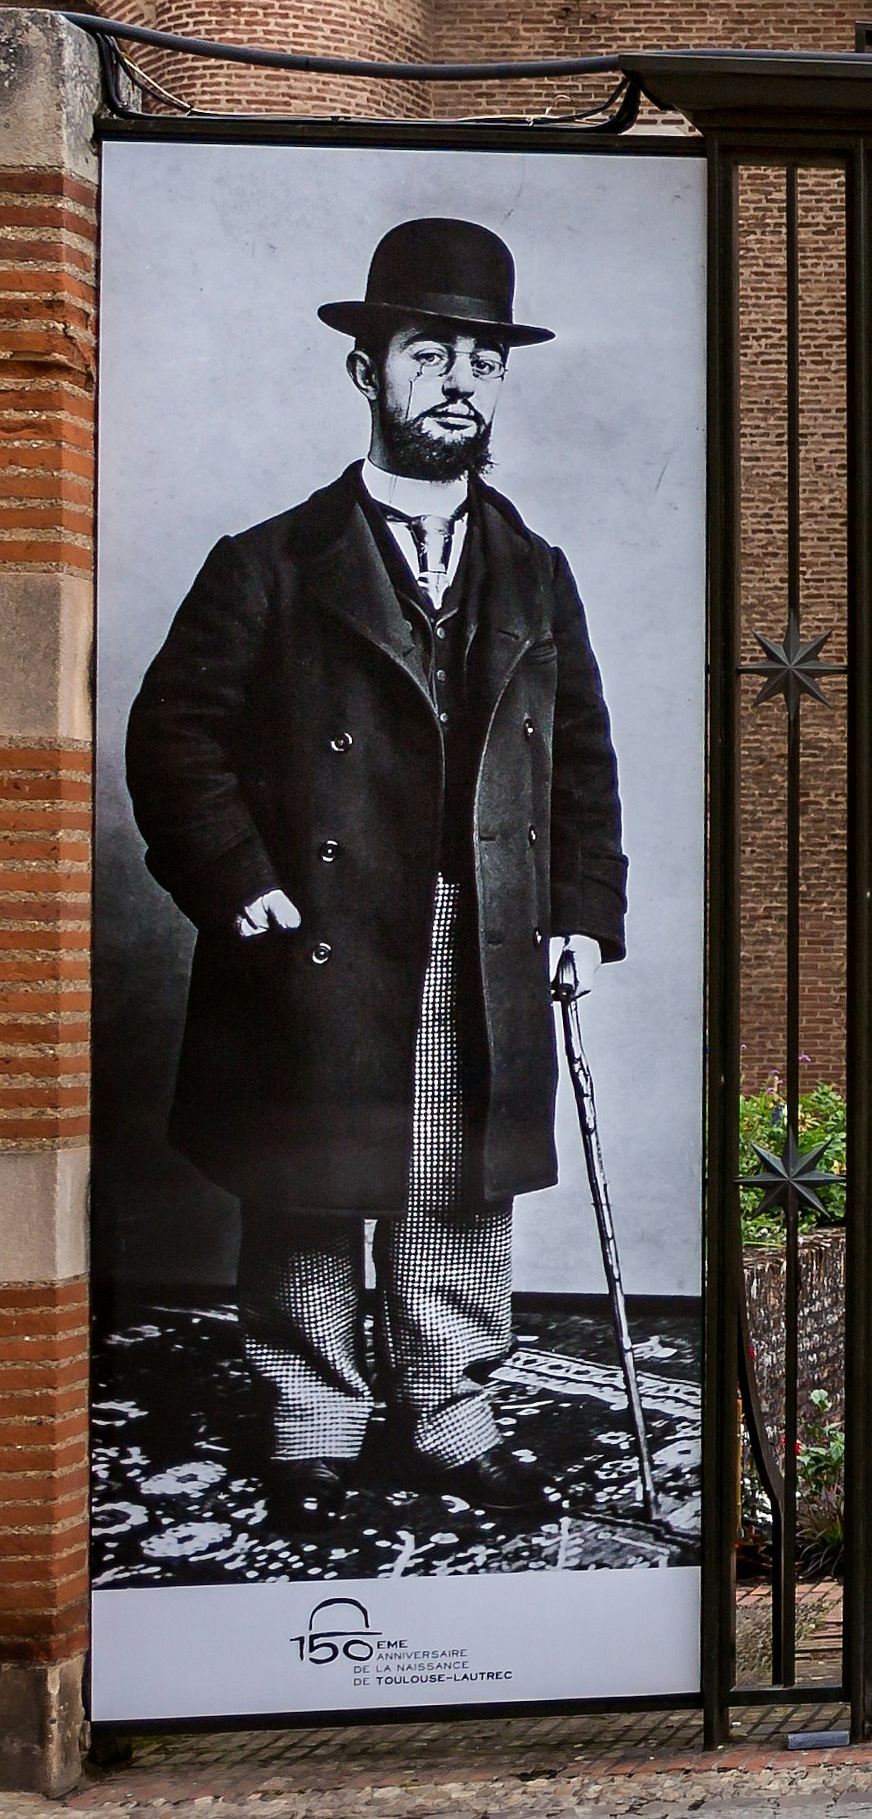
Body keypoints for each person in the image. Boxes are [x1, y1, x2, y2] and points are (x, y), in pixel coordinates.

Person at [124, 216, 626, 1528]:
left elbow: (580, 756)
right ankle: (312, 1417)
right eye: (429, 352)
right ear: (368, 372)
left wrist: (579, 909)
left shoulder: (536, 575)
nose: (460, 382)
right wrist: (243, 883)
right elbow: (174, 736)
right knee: (310, 1181)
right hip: (322, 930)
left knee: (459, 1180)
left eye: (482, 359)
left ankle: (452, 1411)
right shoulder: (270, 565)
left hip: (478, 927)